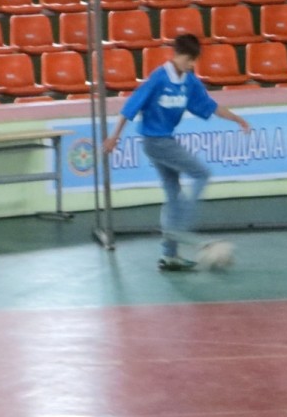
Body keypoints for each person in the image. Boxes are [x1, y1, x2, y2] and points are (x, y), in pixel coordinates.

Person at [103, 34, 251, 271]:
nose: (192, 65)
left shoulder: (189, 82)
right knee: (202, 173)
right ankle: (180, 228)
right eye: (189, 60)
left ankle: (169, 254)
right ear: (177, 54)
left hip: (165, 139)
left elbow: (210, 106)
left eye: (195, 61)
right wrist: (114, 137)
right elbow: (129, 108)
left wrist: (237, 119)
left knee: (173, 193)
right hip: (155, 141)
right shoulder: (158, 79)